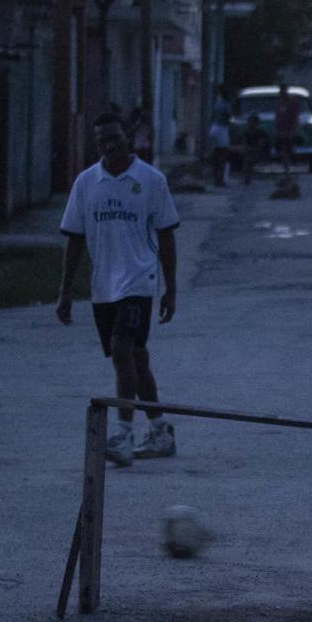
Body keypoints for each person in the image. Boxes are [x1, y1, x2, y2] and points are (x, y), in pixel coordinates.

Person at [57, 112, 182, 466]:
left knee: (122, 349)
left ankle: (123, 435)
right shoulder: (86, 183)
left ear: (128, 137)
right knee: (134, 358)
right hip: (103, 288)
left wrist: (170, 289)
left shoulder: (151, 180)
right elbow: (75, 239)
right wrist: (65, 291)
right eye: (101, 141)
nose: (109, 146)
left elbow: (166, 235)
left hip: (139, 282)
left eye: (114, 138)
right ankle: (159, 430)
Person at [272, 80, 302, 172]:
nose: (281, 91)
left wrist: (294, 127)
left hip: (289, 128)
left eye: (283, 89)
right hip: (281, 128)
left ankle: (289, 163)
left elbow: (295, 115)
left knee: (288, 147)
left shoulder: (292, 101)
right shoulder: (279, 101)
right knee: (282, 147)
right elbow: (278, 114)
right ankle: (286, 166)